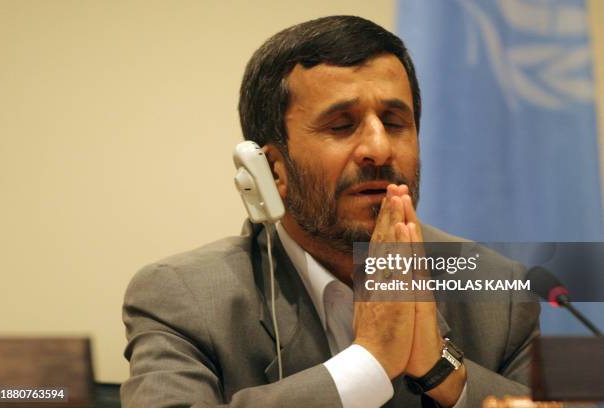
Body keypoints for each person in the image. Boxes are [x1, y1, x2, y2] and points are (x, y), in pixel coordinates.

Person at [121, 15, 540, 408]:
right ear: (272, 170)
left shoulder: (498, 290)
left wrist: (441, 369)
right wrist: (368, 363)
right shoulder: (183, 298)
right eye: (341, 126)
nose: (379, 149)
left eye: (395, 122)